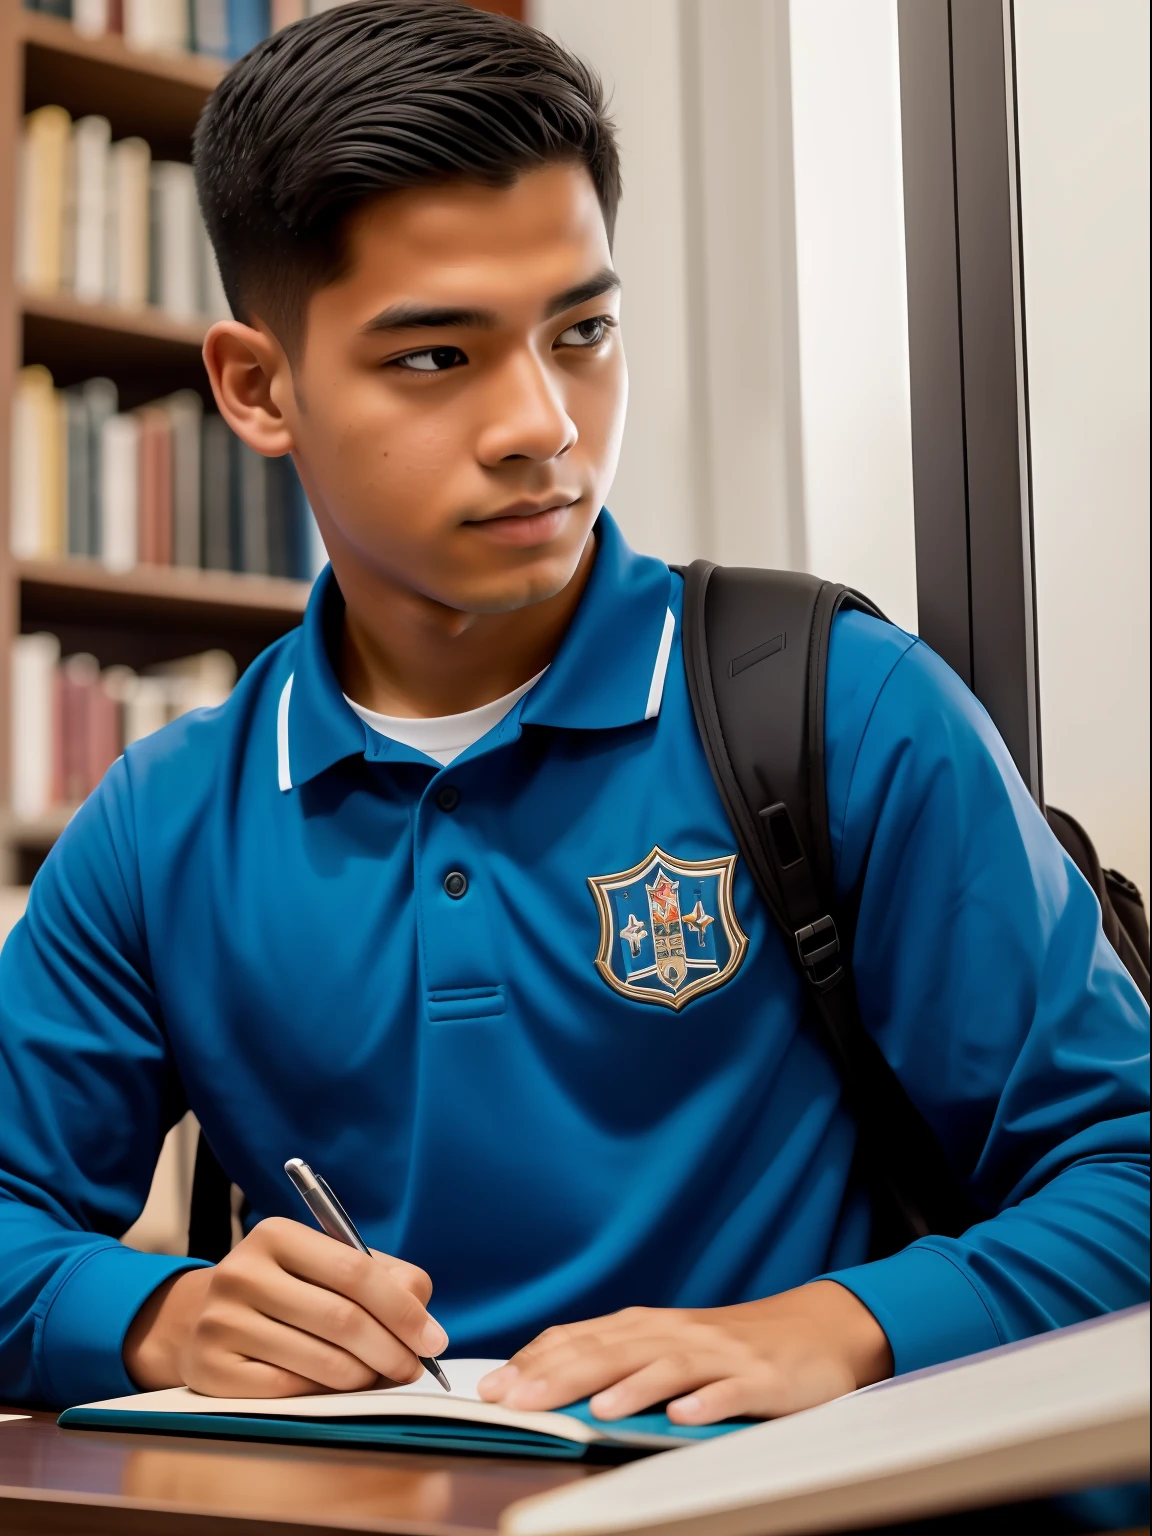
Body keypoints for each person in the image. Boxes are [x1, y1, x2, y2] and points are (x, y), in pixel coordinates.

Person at [0, 0, 1146, 1432]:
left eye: (583, 330)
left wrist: (849, 1326)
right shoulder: (162, 824)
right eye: (436, 356)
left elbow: (1132, 1167)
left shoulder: (839, 707)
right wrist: (157, 1312)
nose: (542, 422)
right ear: (258, 386)